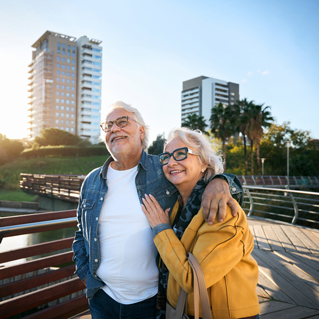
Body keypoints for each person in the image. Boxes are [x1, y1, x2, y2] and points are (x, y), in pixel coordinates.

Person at [72, 101, 244, 319]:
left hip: (152, 300)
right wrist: (86, 275)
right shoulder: (91, 181)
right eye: (108, 126)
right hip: (101, 299)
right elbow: (80, 232)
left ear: (141, 131)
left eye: (122, 122)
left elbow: (197, 175)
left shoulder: (164, 168)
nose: (114, 129)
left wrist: (221, 181)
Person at [142, 127, 260, 319]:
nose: (171, 162)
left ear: (204, 162)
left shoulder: (221, 209)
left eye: (181, 154)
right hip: (181, 310)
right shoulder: (177, 207)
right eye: (166, 157)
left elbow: (193, 280)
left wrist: (161, 229)